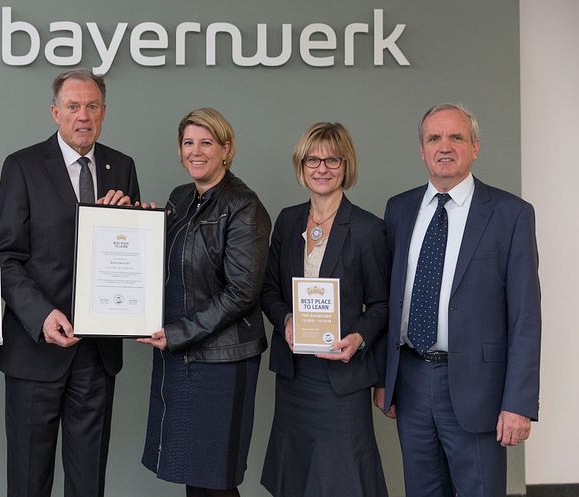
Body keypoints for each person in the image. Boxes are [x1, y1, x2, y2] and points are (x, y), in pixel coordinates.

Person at [376, 103, 541, 497]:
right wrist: (385, 379)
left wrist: (518, 402)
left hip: (478, 390)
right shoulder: (398, 210)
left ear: (475, 147)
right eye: (434, 138)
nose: (444, 146)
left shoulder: (510, 213)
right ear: (421, 149)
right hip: (412, 383)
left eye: (456, 137)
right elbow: (388, 299)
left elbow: (525, 316)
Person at [0, 68, 139, 497]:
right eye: (73, 106)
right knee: (29, 480)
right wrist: (43, 314)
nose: (83, 116)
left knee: (88, 482)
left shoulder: (121, 166)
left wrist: (134, 220)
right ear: (55, 112)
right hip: (35, 351)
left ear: (104, 112)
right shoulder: (21, 166)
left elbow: (130, 255)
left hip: (96, 354)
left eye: (92, 106)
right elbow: (3, 257)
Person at [137, 108, 271, 497]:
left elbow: (243, 292)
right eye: (188, 143)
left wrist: (179, 333)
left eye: (206, 143)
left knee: (214, 480)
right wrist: (142, 229)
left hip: (222, 362)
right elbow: (168, 267)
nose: (196, 152)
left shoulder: (243, 205)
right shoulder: (181, 198)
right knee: (195, 476)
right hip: (184, 355)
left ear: (226, 150)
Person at [260, 122, 390, 497]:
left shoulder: (368, 228)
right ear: (301, 166)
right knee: (296, 478)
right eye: (312, 159)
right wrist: (285, 319)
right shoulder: (286, 220)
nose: (322, 167)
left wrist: (359, 338)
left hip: (342, 379)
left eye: (332, 159)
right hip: (295, 376)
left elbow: (381, 303)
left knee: (342, 480)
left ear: (346, 166)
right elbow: (268, 289)